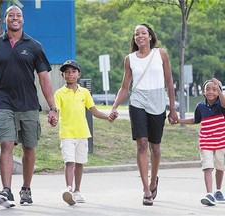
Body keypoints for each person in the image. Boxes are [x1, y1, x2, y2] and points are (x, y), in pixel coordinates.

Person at [0, 5, 58, 208]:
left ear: (23, 20)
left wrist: (53, 108)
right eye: (11, 15)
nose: (15, 18)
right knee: (6, 144)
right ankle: (6, 190)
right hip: (4, 103)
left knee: (29, 146)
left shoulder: (34, 46)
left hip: (29, 104)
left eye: (18, 15)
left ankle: (26, 188)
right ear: (6, 19)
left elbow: (45, 78)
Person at [110, 23, 178, 206]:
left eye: (143, 33)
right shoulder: (129, 59)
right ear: (134, 39)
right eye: (136, 34)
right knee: (142, 144)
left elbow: (170, 82)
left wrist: (172, 108)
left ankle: (153, 179)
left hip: (157, 102)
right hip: (138, 102)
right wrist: (115, 106)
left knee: (155, 147)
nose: (139, 36)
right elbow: (125, 87)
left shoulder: (160, 54)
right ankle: (146, 190)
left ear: (150, 36)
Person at [54, 60, 116, 206]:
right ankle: (68, 189)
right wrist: (53, 119)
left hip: (82, 132)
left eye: (73, 71)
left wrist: (108, 117)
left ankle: (77, 191)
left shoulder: (85, 92)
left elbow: (93, 111)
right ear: (63, 75)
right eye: (67, 72)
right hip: (67, 133)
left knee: (80, 163)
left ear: (79, 74)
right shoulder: (59, 93)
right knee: (69, 161)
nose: (70, 74)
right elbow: (56, 111)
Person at [176, 78, 225, 206]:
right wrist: (179, 121)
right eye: (208, 89)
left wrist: (219, 90)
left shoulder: (221, 105)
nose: (211, 92)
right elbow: (195, 120)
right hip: (206, 141)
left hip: (221, 141)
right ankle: (209, 194)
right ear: (203, 92)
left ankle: (218, 191)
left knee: (220, 167)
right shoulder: (200, 107)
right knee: (207, 166)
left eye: (214, 89)